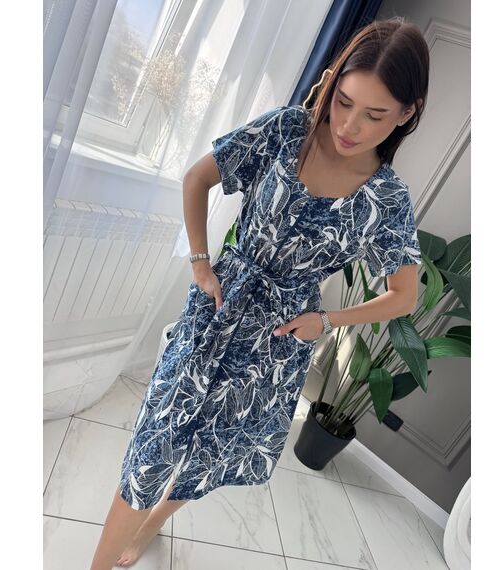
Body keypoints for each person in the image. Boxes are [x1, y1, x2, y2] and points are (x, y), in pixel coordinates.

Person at [90, 16, 429, 570]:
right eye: (343, 102)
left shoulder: (386, 200)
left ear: (407, 114)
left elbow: (404, 295)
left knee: (214, 450)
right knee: (155, 444)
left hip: (277, 343)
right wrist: (201, 263)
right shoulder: (288, 130)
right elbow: (198, 177)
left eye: (375, 115)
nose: (349, 125)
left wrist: (329, 320)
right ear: (333, 84)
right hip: (218, 312)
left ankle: (151, 524)